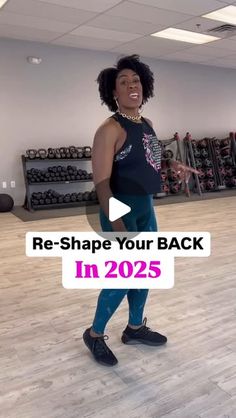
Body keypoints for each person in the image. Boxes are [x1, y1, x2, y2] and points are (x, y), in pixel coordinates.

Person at [83, 54, 196, 366]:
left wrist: (172, 164)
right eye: (124, 82)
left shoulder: (146, 124)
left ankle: (134, 328)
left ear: (144, 86)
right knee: (122, 276)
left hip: (145, 207)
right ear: (113, 93)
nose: (132, 85)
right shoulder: (109, 129)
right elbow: (102, 186)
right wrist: (120, 232)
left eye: (136, 80)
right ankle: (94, 334)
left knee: (145, 271)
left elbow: (151, 155)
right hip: (119, 211)